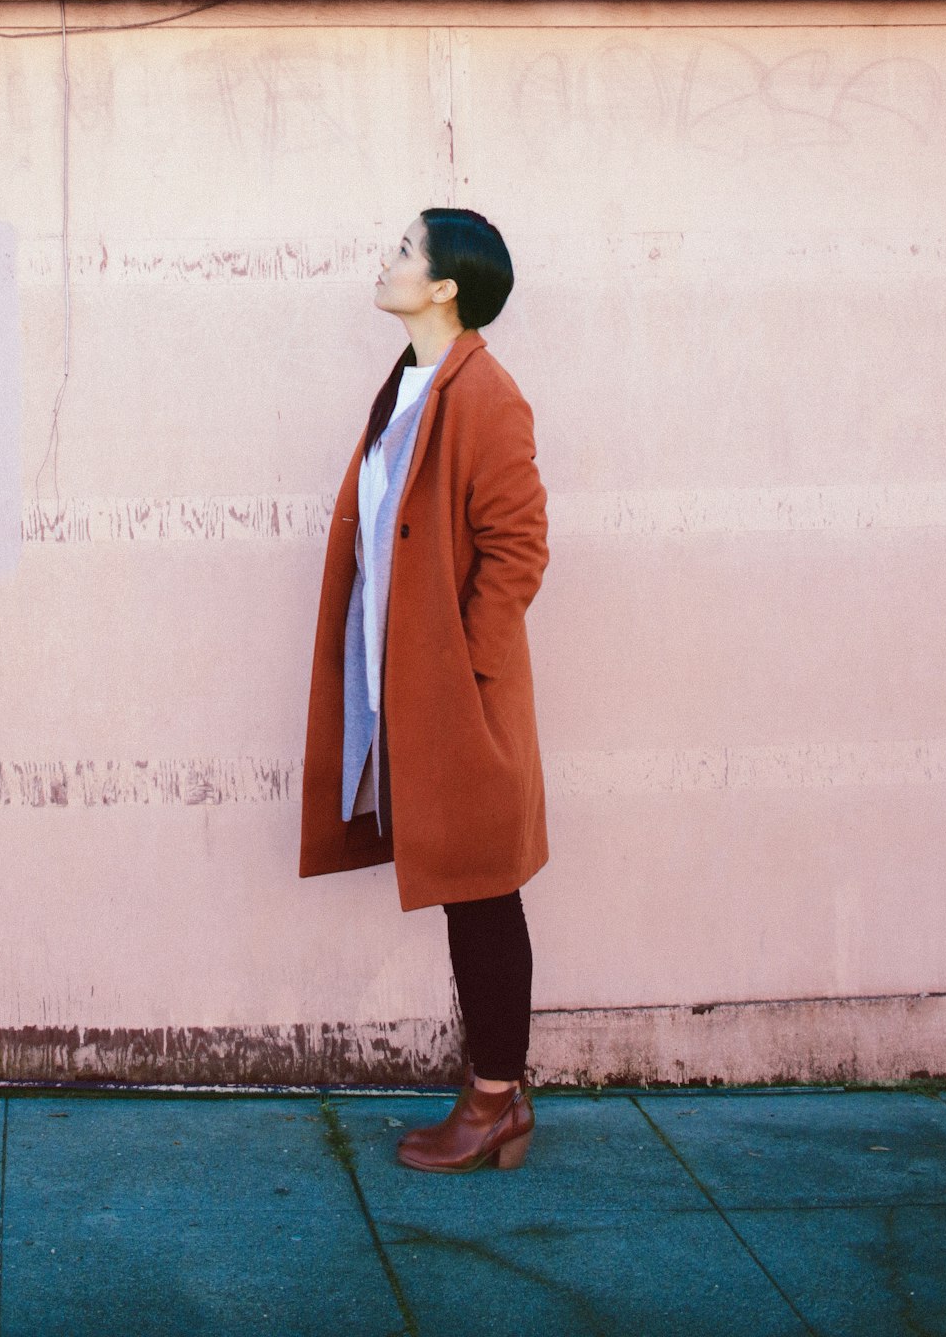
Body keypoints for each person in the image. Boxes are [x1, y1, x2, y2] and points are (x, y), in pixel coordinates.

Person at [299, 208, 549, 1173]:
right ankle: (499, 1094)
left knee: (481, 889)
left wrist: (468, 673)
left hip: (459, 697)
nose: (387, 257)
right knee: (468, 890)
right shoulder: (411, 385)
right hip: (406, 684)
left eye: (407, 249)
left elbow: (518, 550)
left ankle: (495, 1102)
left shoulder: (486, 394)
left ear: (446, 287)